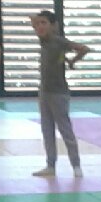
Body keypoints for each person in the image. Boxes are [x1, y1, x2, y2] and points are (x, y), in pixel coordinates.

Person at [30, 11, 88, 180]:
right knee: (47, 129)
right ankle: (50, 165)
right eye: (37, 24)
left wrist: (73, 61)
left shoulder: (58, 41)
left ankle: (76, 165)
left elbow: (84, 48)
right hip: (44, 92)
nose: (39, 27)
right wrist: (35, 20)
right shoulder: (44, 41)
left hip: (58, 93)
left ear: (54, 26)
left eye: (44, 23)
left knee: (65, 129)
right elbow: (35, 24)